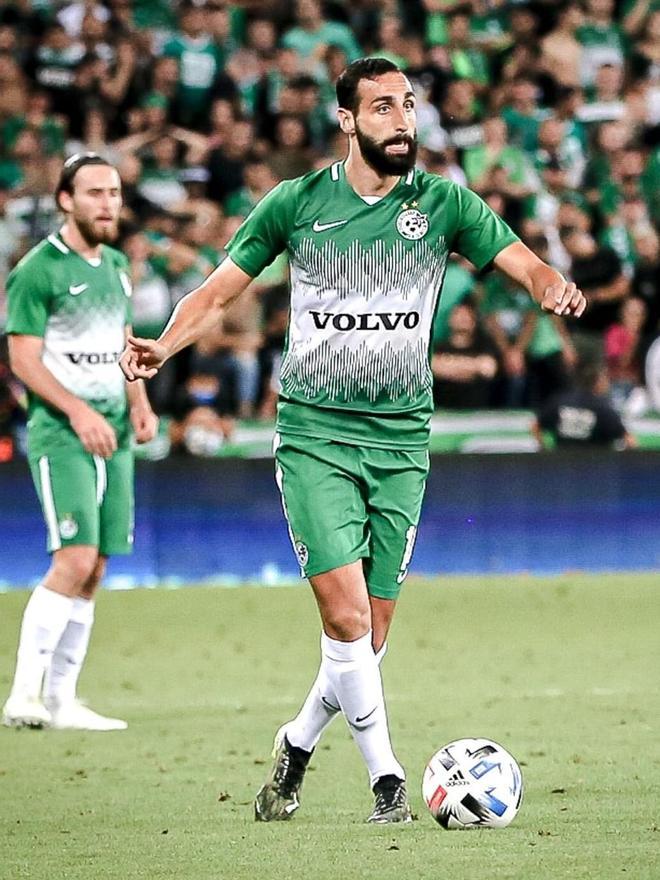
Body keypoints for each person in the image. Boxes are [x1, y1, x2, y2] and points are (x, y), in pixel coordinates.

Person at [120, 58, 586, 823]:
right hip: (315, 433)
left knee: (369, 633)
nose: (401, 119)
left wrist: (548, 284)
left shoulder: (442, 203)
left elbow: (523, 263)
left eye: (407, 106)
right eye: (381, 108)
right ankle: (389, 781)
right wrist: (164, 346)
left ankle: (296, 747)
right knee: (345, 621)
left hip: (402, 439)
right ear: (346, 121)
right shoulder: (297, 203)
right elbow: (218, 291)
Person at [2, 153, 158, 731]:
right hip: (63, 434)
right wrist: (77, 411)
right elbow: (22, 358)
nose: (107, 203)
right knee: (73, 559)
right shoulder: (38, 270)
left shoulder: (116, 264)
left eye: (114, 192)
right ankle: (23, 697)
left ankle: (63, 701)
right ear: (65, 200)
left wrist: (139, 404)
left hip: (114, 433)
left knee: (97, 566)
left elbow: (121, 342)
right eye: (94, 193)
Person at [534, 361, 635, 449]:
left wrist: (545, 450)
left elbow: (535, 427)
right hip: (594, 465)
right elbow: (630, 441)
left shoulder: (559, 401)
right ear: (597, 383)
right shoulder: (603, 409)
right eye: (605, 379)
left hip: (563, 463)